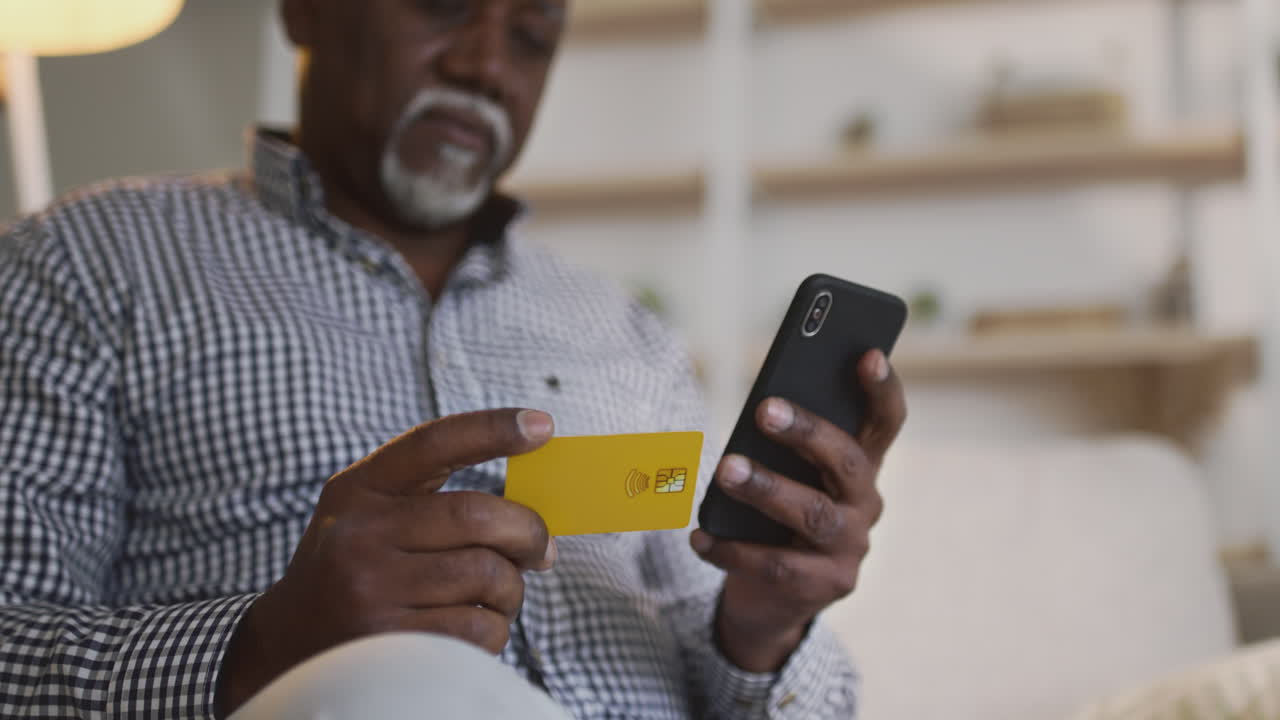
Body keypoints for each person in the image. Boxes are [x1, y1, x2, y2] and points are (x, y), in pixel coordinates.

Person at [0, 0, 907, 718]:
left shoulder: (627, 332)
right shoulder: (83, 265)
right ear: (303, 9)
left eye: (531, 36)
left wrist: (763, 632)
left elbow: (775, 679)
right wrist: (255, 646)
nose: (486, 66)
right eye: (441, 4)